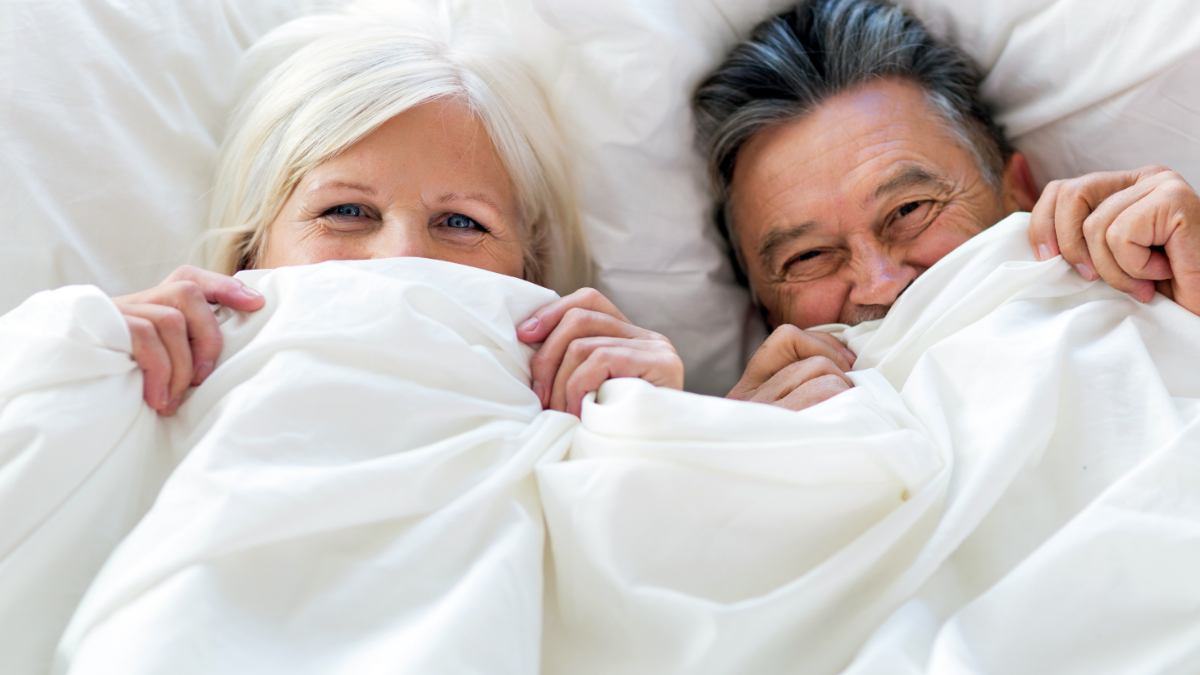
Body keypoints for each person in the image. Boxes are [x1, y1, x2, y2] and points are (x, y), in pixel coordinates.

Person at [110, 10, 683, 419]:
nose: (403, 260)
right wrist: (65, 359)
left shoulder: (600, 418)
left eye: (462, 222)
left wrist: (671, 429)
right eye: (348, 211)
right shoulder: (136, 387)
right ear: (250, 252)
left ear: (530, 274)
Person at [693, 0, 1200, 411]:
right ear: (764, 310)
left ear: (1019, 192)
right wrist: (736, 463)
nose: (882, 285)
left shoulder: (1166, 301)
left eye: (910, 210)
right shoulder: (739, 456)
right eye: (807, 257)